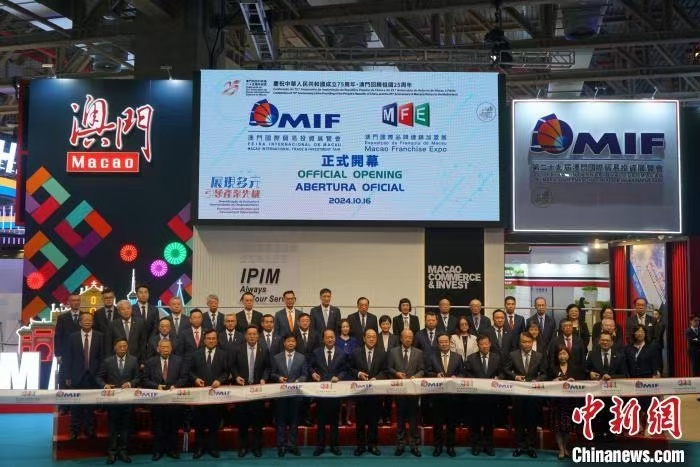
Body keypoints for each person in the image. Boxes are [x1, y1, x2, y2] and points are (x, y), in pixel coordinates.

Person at [60, 312, 104, 440]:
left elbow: (102, 358)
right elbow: (67, 358)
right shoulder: (72, 337)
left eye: (90, 320)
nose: (88, 322)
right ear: (80, 322)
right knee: (75, 406)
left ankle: (89, 430)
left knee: (90, 406)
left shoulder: (100, 336)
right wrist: (67, 376)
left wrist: (101, 376)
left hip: (93, 377)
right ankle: (74, 431)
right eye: (85, 320)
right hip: (76, 377)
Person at [142, 339, 188, 460]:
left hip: (173, 402)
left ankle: (171, 450)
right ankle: (158, 451)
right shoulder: (150, 362)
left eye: (167, 347)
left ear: (171, 348)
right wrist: (156, 386)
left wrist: (175, 386)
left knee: (173, 426)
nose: (165, 349)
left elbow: (184, 378)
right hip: (157, 402)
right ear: (158, 349)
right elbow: (145, 380)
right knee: (158, 427)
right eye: (163, 347)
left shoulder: (179, 361)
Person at [97, 337, 140, 465]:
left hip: (128, 400)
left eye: (125, 346)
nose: (122, 348)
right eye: (120, 346)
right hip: (113, 401)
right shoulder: (108, 361)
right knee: (113, 427)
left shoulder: (133, 360)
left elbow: (138, 377)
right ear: (115, 347)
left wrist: (131, 383)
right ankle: (112, 452)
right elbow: (99, 377)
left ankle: (123, 451)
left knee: (126, 427)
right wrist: (104, 385)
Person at [504, 332, 545, 458]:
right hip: (518, 394)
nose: (526, 344)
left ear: (532, 342)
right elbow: (506, 369)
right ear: (520, 342)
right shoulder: (513, 355)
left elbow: (544, 373)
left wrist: (537, 380)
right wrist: (515, 376)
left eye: (529, 342)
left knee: (532, 422)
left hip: (533, 395)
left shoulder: (539, 356)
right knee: (519, 421)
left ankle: (531, 447)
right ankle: (519, 446)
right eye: (524, 342)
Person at [190, 329, 229, 459]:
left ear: (217, 340)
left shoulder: (223, 355)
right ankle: (199, 448)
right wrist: (195, 379)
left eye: (213, 338)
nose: (211, 341)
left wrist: (220, 380)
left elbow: (226, 372)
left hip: (215, 396)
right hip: (199, 396)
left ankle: (213, 448)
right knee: (199, 424)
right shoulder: (196, 354)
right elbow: (190, 371)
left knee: (214, 423)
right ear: (204, 340)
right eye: (209, 338)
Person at [232, 325, 269, 458]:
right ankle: (243, 446)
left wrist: (264, 378)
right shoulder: (238, 349)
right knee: (243, 422)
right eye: (250, 334)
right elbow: (233, 366)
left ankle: (256, 447)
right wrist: (236, 376)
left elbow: (267, 368)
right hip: (242, 391)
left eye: (254, 334)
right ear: (245, 336)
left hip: (258, 391)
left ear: (258, 336)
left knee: (257, 422)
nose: (252, 336)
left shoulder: (264, 349)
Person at [311, 329, 349, 456]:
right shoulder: (316, 353)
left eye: (332, 337)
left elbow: (345, 369)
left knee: (334, 421)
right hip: (320, 393)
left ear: (335, 338)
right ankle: (320, 446)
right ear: (323, 339)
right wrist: (313, 373)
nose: (330, 339)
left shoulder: (342, 353)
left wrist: (339, 377)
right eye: (327, 337)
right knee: (320, 422)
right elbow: (310, 366)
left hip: (335, 393)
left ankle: (334, 446)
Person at [387, 329, 424, 457]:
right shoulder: (393, 352)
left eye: (410, 337)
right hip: (399, 392)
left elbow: (422, 370)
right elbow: (389, 368)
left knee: (413, 420)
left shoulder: (419, 353)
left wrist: (416, 376)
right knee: (400, 420)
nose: (408, 339)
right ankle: (400, 445)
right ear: (401, 338)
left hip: (413, 393)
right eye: (406, 337)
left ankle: (414, 445)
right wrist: (396, 373)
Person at [350, 328, 387, 456]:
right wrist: (358, 373)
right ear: (364, 338)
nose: (371, 339)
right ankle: (360, 446)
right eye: (369, 337)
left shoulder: (382, 353)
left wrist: (377, 378)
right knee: (360, 422)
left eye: (374, 337)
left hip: (375, 394)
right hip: (360, 394)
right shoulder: (356, 353)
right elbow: (350, 368)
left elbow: (385, 371)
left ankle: (372, 445)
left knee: (373, 421)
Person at [426, 333, 463, 457]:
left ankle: (450, 447)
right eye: (441, 342)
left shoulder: (458, 357)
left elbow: (463, 373)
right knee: (437, 424)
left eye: (446, 341)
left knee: (451, 424)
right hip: (437, 396)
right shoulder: (432, 357)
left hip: (453, 397)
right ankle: (438, 446)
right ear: (438, 344)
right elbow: (427, 372)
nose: (444, 344)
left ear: (450, 342)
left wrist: (456, 377)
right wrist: (435, 375)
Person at [465, 334, 502, 456]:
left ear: (490, 344)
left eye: (486, 344)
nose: (485, 346)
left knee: (489, 423)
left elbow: (502, 373)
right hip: (476, 397)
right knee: (475, 424)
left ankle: (488, 446)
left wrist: (498, 378)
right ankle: (476, 445)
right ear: (478, 345)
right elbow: (467, 374)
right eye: (482, 344)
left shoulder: (497, 357)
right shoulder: (471, 358)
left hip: (491, 397)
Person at [271, 334, 307, 457]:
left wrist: (299, 380)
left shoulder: (302, 357)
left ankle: (292, 445)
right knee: (281, 422)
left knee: (294, 422)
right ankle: (281, 445)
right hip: (281, 395)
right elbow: (272, 373)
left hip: (296, 395)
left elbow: (304, 375)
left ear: (296, 343)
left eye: (293, 341)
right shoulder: (277, 358)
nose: (291, 343)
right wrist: (278, 378)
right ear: (284, 343)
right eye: (288, 341)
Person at [546, 345, 585, 460]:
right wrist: (553, 381)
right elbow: (546, 382)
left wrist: (574, 381)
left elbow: (581, 382)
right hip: (556, 402)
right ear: (557, 356)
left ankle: (565, 446)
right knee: (558, 427)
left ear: (568, 355)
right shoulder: (552, 368)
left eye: (564, 353)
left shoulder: (574, 368)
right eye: (560, 354)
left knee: (568, 427)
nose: (562, 356)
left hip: (570, 401)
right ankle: (561, 449)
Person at [107, 299, 146, 366]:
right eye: (123, 309)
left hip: (136, 360)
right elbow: (109, 345)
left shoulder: (140, 323)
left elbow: (143, 343)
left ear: (131, 309)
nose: (126, 311)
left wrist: (143, 361)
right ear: (119, 311)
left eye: (128, 308)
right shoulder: (113, 324)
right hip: (118, 360)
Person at [377, 315, 398, 425]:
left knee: (389, 396)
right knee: (379, 395)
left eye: (387, 323)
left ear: (390, 325)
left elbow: (397, 353)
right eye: (383, 324)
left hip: (391, 368)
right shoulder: (376, 336)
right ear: (380, 325)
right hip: (380, 369)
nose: (385, 325)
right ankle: (380, 417)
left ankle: (387, 417)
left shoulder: (395, 338)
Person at [648, 309, 666, 373]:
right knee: (652, 359)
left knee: (658, 359)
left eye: (656, 314)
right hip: (651, 344)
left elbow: (658, 335)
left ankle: (660, 372)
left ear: (659, 315)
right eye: (653, 314)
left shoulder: (661, 323)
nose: (654, 315)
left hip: (658, 344)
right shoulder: (651, 322)